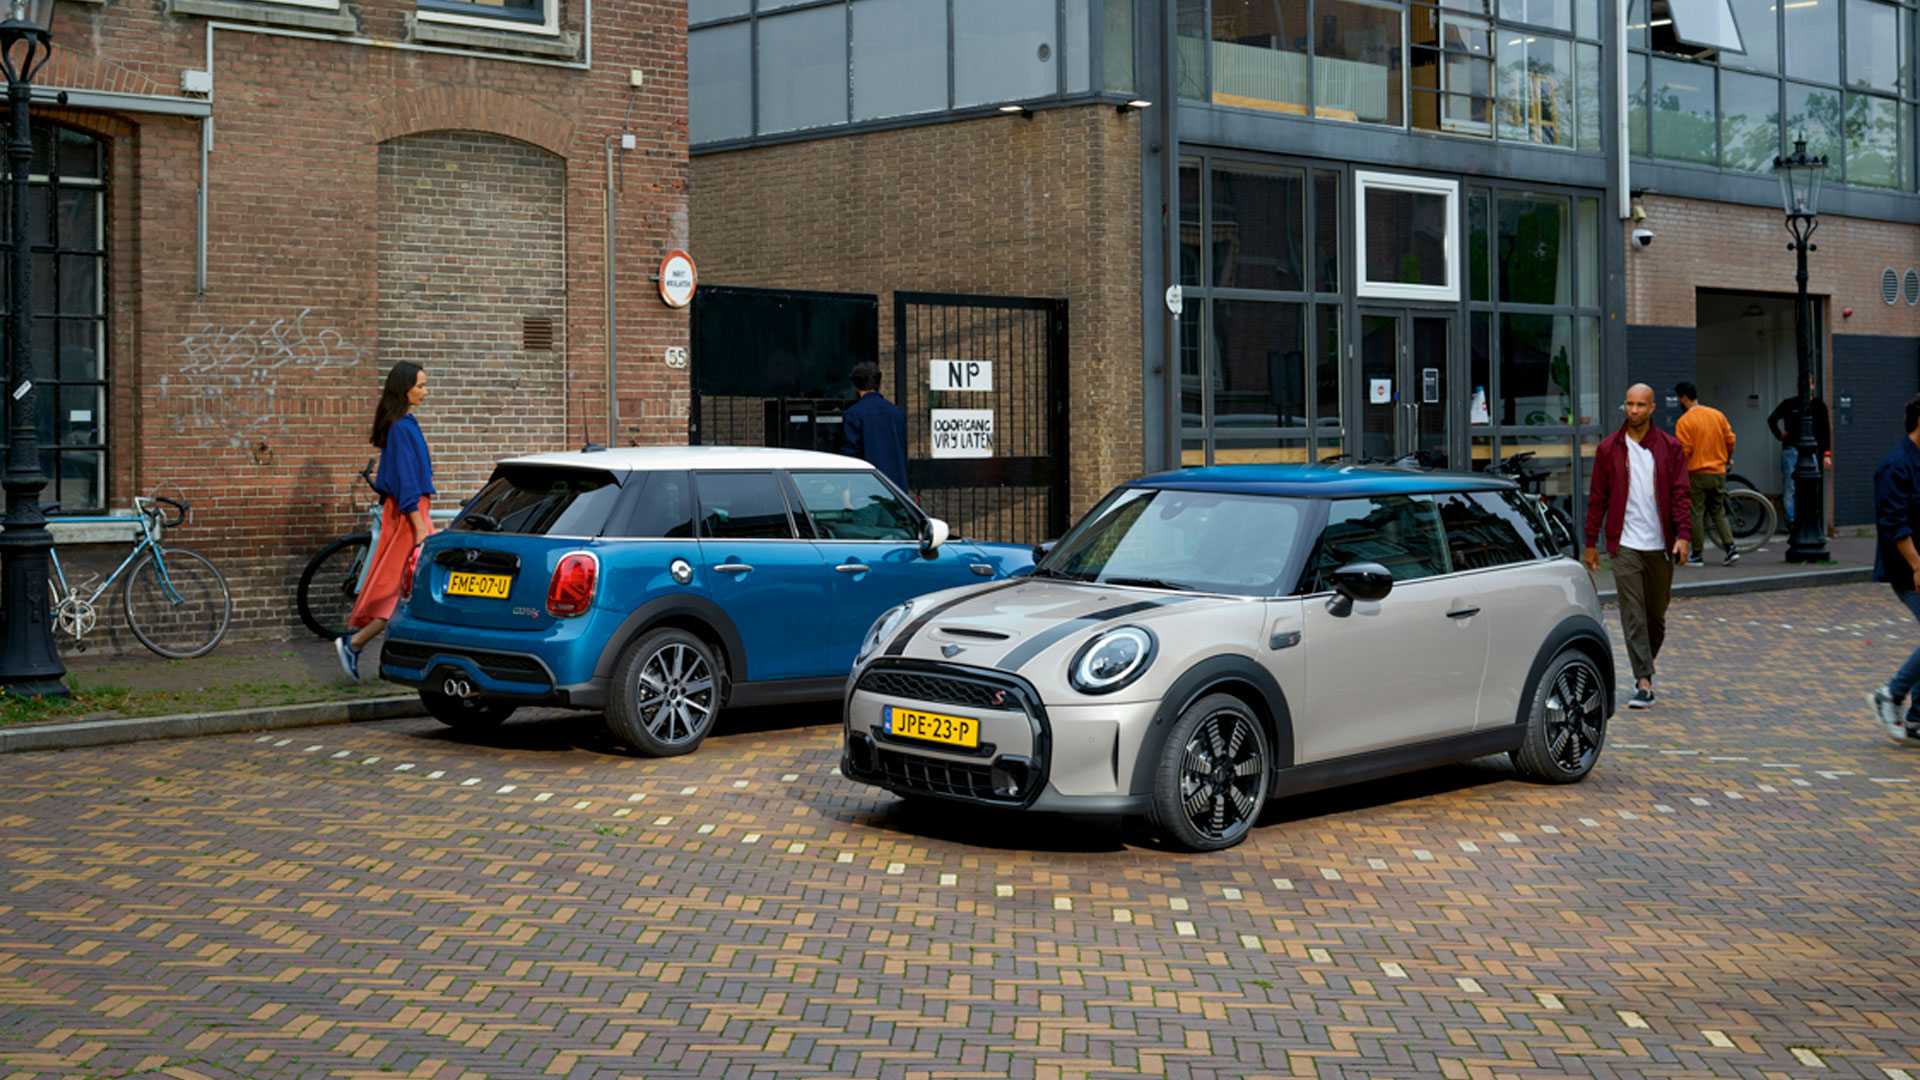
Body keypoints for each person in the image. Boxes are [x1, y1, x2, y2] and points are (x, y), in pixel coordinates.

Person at [1584, 383, 1692, 709]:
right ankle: (1644, 681)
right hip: (1625, 544)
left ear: (1652, 408)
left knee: (1655, 617)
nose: (1634, 411)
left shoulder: (1670, 448)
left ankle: (1644, 662)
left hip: (1660, 545)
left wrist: (1683, 535)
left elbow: (1681, 495)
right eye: (1629, 404)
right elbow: (1597, 499)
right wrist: (1591, 543)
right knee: (1633, 615)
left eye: (1640, 405)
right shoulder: (1608, 449)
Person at [336, 362, 435, 682]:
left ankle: (394, 653)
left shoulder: (402, 424)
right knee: (399, 591)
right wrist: (419, 526)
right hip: (411, 516)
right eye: (420, 386)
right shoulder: (402, 428)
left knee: (407, 589)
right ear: (404, 388)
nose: (425, 391)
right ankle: (354, 644)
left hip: (411, 512)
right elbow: (406, 480)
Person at [1869, 394, 1920, 744]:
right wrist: (1917, 566)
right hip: (1910, 568)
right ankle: (1891, 694)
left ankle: (1916, 719)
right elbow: (1894, 524)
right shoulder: (1895, 465)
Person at [1674, 381, 1739, 566]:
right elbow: (1730, 440)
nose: (1678, 401)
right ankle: (1730, 549)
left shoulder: (1684, 421)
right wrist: (1726, 459)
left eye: (1679, 398)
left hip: (1696, 472)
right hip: (1718, 471)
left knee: (1695, 513)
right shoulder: (1717, 415)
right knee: (1718, 511)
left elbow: (1684, 451)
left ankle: (1697, 554)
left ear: (1684, 398)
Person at [1767, 375, 1832, 532]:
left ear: (1813, 386)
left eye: (1808, 383)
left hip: (1811, 451)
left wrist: (1826, 454)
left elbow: (1824, 431)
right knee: (1790, 486)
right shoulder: (1790, 404)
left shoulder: (1818, 406)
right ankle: (1792, 521)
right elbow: (1772, 419)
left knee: (1810, 486)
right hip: (1792, 449)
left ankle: (1809, 518)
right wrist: (1779, 435)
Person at [840, 360, 909, 492]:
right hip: (897, 490)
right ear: (879, 383)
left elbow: (850, 455)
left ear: (856, 386)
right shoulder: (898, 413)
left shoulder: (854, 414)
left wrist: (847, 489)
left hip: (866, 491)